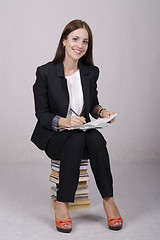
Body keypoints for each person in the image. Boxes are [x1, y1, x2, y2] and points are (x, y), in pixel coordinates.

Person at [31, 19, 123, 233]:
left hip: (80, 134)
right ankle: (62, 203)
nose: (79, 45)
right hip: (55, 137)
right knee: (77, 136)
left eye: (85, 41)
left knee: (95, 138)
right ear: (64, 41)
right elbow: (41, 114)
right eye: (75, 39)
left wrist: (103, 113)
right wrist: (65, 122)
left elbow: (92, 105)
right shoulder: (45, 72)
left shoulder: (91, 72)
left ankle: (108, 200)